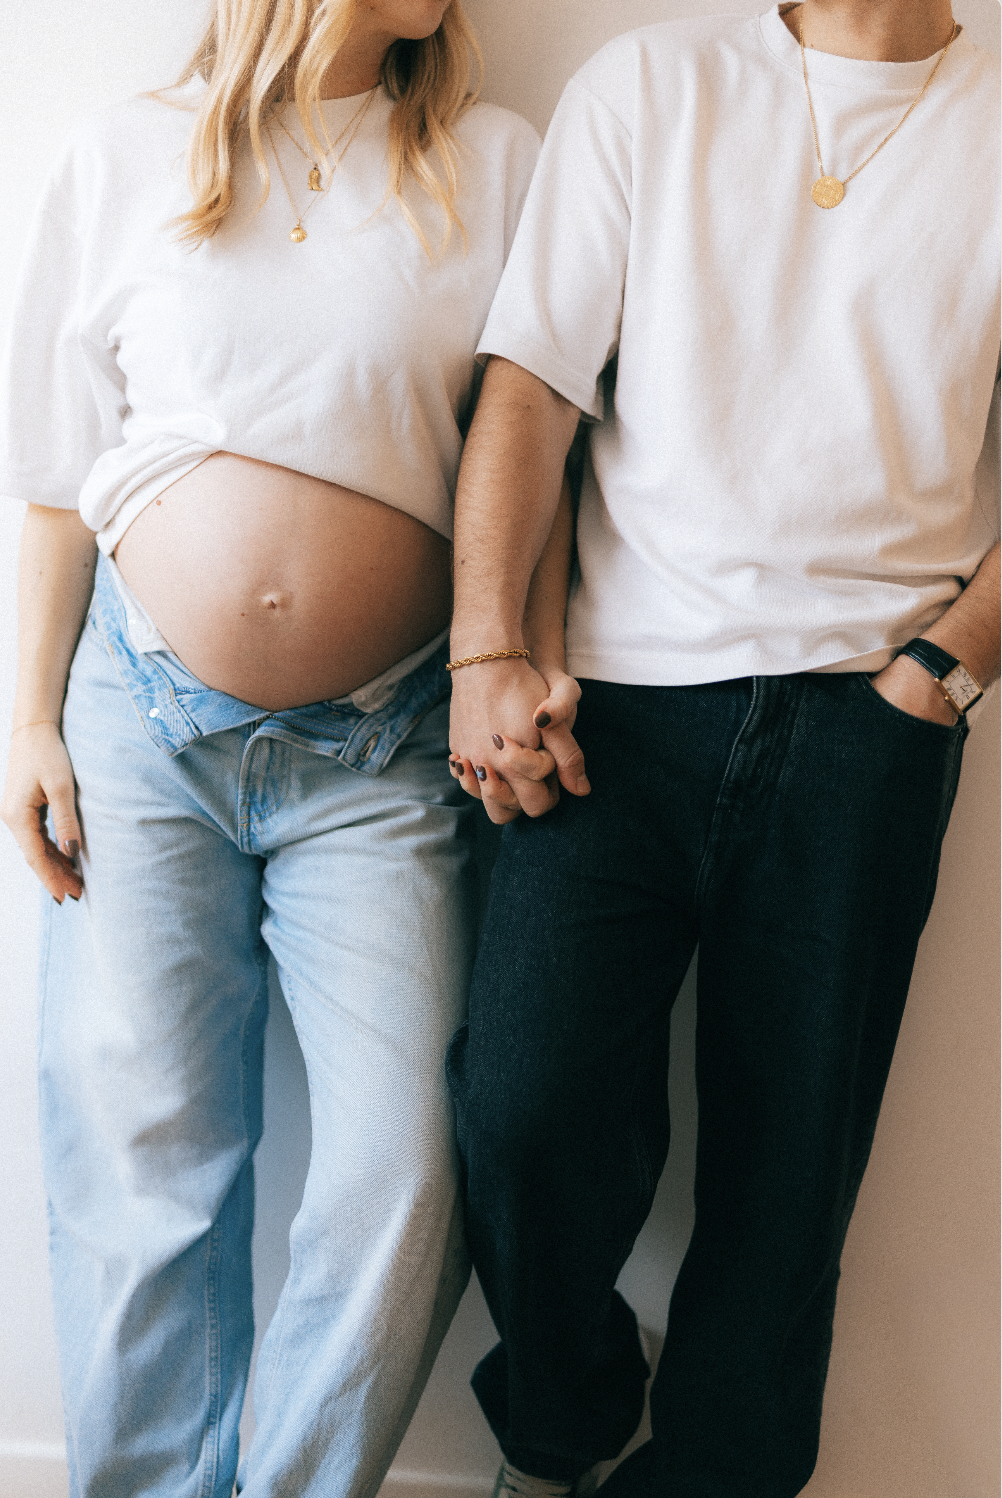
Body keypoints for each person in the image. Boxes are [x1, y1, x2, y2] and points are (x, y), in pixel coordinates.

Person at [444, 1, 1000, 1494]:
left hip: (862, 725)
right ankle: (559, 1429)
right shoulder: (652, 79)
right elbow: (529, 390)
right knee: (522, 1109)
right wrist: (486, 649)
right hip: (605, 716)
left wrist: (941, 673)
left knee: (785, 1184)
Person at [0, 3, 546, 1495]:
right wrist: (30, 715)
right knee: (138, 1164)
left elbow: (538, 451)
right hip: (139, 722)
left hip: (383, 750)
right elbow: (57, 474)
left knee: (403, 1168)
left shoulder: (497, 167)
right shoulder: (126, 153)